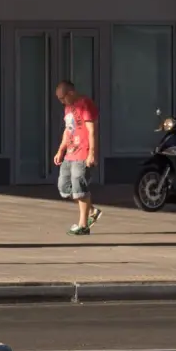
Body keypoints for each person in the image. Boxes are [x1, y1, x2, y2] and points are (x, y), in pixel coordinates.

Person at [53, 80, 102, 236]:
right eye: (59, 99)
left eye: (63, 98)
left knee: (79, 189)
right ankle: (92, 211)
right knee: (64, 187)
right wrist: (61, 150)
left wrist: (92, 153)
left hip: (82, 154)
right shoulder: (68, 107)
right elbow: (68, 130)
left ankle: (83, 225)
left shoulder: (85, 104)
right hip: (70, 153)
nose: (62, 102)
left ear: (71, 93)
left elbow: (92, 130)